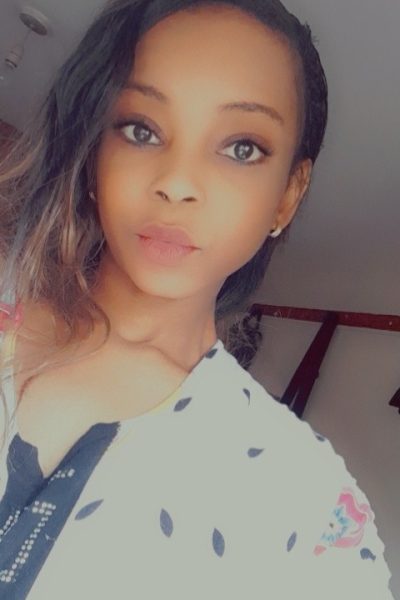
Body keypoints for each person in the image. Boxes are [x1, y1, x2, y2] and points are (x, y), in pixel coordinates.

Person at [0, 0, 394, 597]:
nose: (177, 183)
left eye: (241, 148)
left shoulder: (302, 504)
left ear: (288, 195)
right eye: (141, 130)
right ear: (95, 152)